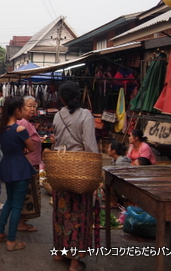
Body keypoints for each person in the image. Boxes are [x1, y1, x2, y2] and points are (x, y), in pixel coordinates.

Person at [51, 81, 99, 271]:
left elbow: (57, 142)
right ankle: (74, 262)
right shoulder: (86, 115)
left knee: (61, 213)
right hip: (79, 171)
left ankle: (60, 252)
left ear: (61, 98)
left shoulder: (57, 116)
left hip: (61, 169)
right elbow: (90, 146)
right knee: (79, 214)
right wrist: (96, 175)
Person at [0, 96, 36, 252]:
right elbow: (31, 148)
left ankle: (0, 233)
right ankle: (11, 241)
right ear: (17, 110)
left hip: (7, 166)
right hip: (19, 168)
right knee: (17, 205)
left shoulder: (3, 128)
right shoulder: (20, 129)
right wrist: (23, 148)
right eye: (23, 109)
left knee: (9, 201)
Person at [16, 96, 42, 232]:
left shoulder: (26, 122)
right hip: (28, 163)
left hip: (31, 162)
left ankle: (22, 221)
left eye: (34, 106)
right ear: (22, 108)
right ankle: (20, 222)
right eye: (29, 106)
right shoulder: (23, 123)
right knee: (26, 194)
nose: (32, 109)